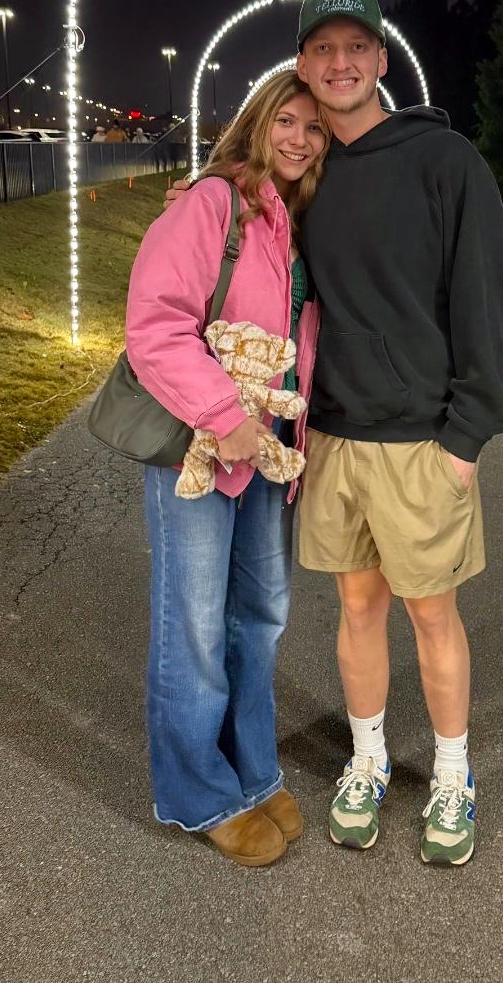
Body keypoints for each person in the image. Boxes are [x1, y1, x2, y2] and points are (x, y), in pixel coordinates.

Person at [167, 0, 503, 866]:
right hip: (331, 438)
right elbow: (264, 271)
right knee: (357, 606)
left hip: (423, 443)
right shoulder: (308, 179)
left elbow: (491, 295)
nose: (338, 63)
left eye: (354, 48)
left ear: (381, 60)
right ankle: (366, 762)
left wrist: (467, 437)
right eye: (321, 49)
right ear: (301, 66)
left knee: (431, 614)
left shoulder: (448, 164)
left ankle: (451, 776)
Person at [124, 71, 327, 867]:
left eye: (314, 129)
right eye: (287, 119)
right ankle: (197, 793)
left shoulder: (303, 223)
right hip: (198, 452)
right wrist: (225, 418)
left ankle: (251, 769)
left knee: (260, 618)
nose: (299, 139)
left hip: (268, 459)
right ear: (258, 120)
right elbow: (156, 325)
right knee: (194, 626)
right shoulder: (213, 204)